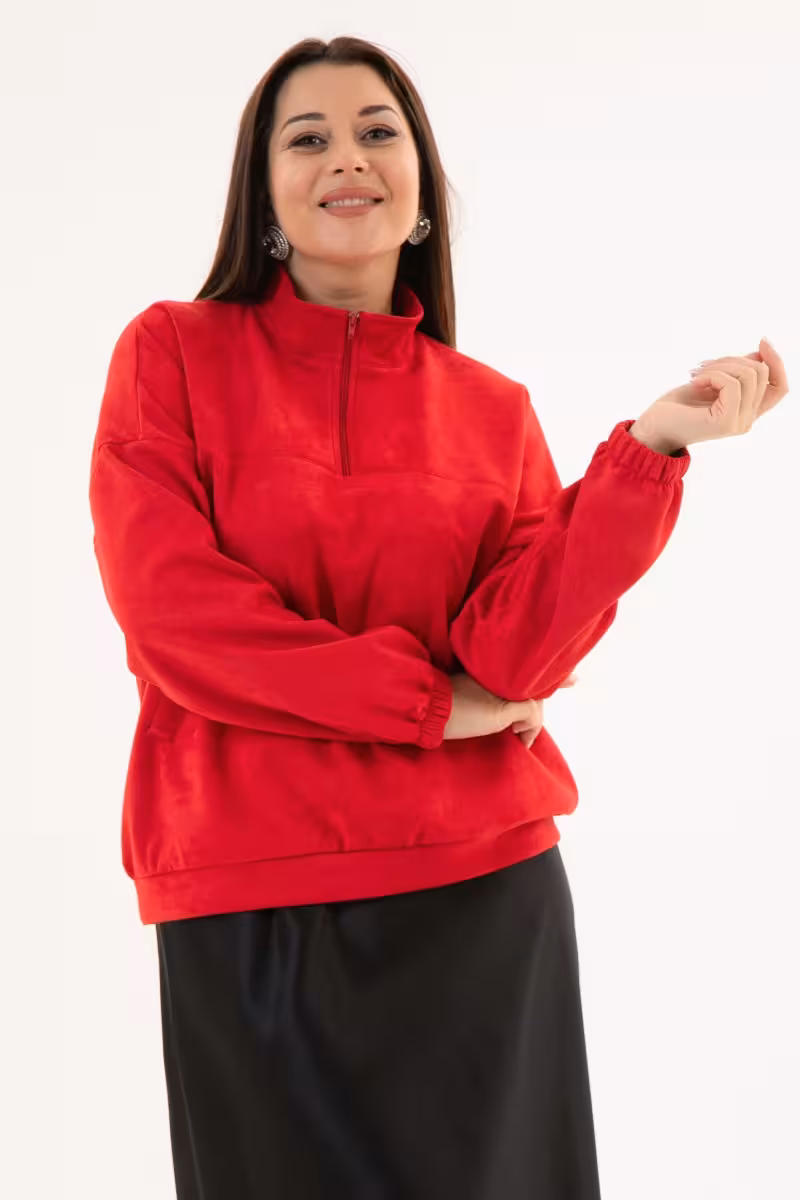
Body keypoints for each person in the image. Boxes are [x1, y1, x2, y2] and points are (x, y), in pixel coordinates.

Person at [87, 35, 789, 1200]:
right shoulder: (171, 354)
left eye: (377, 132)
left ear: (419, 187)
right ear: (261, 196)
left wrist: (652, 447)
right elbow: (177, 620)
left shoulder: (490, 411)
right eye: (306, 138)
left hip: (480, 891)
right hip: (249, 888)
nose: (346, 157)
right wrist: (426, 705)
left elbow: (514, 655)